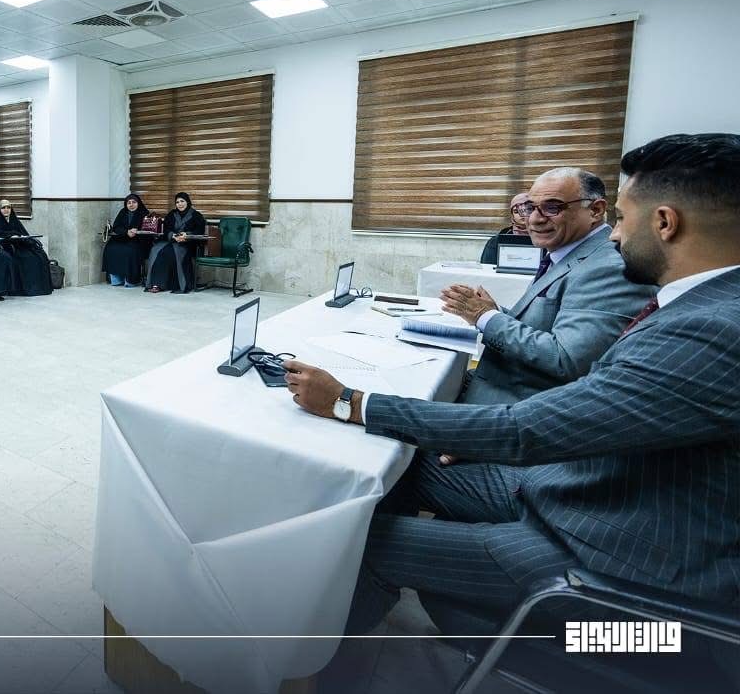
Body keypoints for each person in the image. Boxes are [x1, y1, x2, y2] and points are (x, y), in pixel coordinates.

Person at [282, 133, 740, 643]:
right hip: (592, 492)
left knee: (344, 541)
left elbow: (526, 428)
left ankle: (307, 663)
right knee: (402, 466)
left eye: (621, 218)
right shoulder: (709, 304)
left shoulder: (712, 330)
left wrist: (348, 401)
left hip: (616, 566)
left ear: (665, 222)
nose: (614, 236)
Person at [438, 168, 654, 413]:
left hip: (521, 409)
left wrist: (486, 317)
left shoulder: (608, 267)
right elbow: (547, 326)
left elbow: (566, 360)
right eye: (531, 207)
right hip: (498, 384)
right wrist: (493, 311)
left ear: (595, 210)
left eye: (552, 208)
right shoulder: (566, 252)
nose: (535, 219)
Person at [144, 192, 206, 294]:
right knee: (155, 250)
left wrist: (186, 235)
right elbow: (166, 229)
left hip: (187, 244)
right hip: (171, 241)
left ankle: (170, 284)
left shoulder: (196, 215)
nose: (180, 204)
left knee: (169, 253)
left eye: (182, 201)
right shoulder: (172, 214)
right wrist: (172, 235)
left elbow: (200, 231)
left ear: (188, 202)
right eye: (177, 202)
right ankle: (155, 283)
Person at [0, 199, 52, 296]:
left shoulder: (14, 220)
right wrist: (12, 234)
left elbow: (23, 233)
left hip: (21, 245)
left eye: (8, 207)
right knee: (27, 258)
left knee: (40, 255)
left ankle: (40, 287)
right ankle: (27, 288)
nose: (6, 210)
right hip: (9, 247)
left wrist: (23, 238)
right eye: (3, 208)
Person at [103, 194, 151, 287]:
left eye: (134, 202)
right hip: (123, 237)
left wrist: (136, 230)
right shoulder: (123, 212)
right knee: (111, 248)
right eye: (129, 203)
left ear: (138, 203)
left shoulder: (144, 213)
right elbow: (116, 227)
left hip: (138, 240)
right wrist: (126, 232)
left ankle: (131, 280)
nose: (131, 205)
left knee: (129, 251)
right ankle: (116, 279)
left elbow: (148, 228)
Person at [479, 192, 531, 264]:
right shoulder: (497, 240)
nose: (522, 215)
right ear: (512, 215)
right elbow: (487, 266)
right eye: (516, 211)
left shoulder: (543, 238)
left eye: (528, 210)